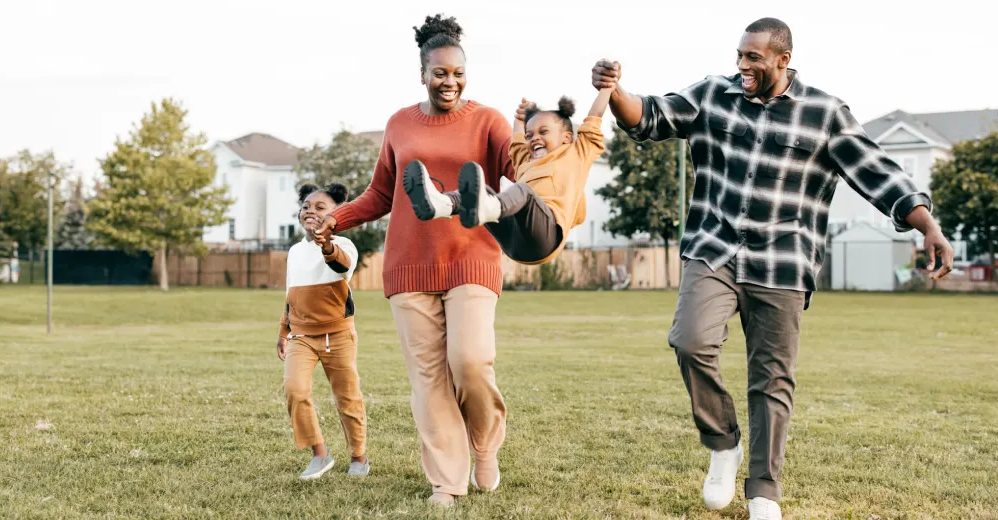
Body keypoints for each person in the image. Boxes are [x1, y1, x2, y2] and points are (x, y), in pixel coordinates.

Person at [591, 17, 954, 520]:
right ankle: (723, 443)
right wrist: (615, 91)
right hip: (713, 247)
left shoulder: (823, 114)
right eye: (739, 55)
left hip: (783, 260)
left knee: (772, 379)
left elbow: (877, 173)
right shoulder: (713, 95)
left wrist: (927, 225)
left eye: (753, 58)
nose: (742, 65)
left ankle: (763, 490)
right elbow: (650, 117)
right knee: (690, 340)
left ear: (783, 60)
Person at [312, 14, 514, 507]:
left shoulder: (489, 120)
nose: (450, 81)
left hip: (471, 258)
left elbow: (520, 171)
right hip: (409, 267)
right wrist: (334, 219)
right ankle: (447, 479)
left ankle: (484, 444)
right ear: (422, 73)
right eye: (440, 73)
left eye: (458, 73)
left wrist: (541, 137)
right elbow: (381, 192)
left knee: (470, 362)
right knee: (428, 380)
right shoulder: (400, 123)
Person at [404, 88, 612, 265]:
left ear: (567, 137)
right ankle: (441, 204)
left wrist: (607, 87)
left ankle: (488, 207)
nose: (534, 138)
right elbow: (517, 143)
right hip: (513, 242)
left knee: (522, 191)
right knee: (483, 191)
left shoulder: (576, 154)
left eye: (543, 132)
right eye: (530, 135)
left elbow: (594, 119)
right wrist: (520, 119)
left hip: (545, 240)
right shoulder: (525, 163)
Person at [277, 182, 367, 480]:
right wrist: (283, 329)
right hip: (301, 335)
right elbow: (291, 292)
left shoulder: (345, 246)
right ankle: (320, 453)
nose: (310, 212)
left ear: (335, 214)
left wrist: (326, 244)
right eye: (306, 207)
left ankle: (359, 457)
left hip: (338, 335)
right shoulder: (294, 251)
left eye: (320, 207)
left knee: (347, 397)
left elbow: (340, 266)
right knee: (294, 389)